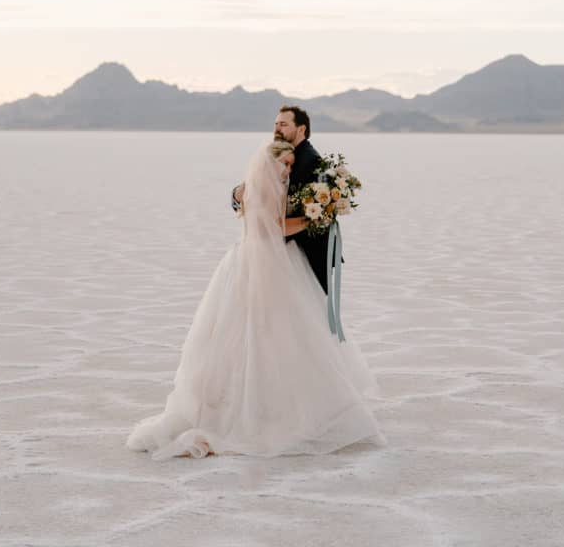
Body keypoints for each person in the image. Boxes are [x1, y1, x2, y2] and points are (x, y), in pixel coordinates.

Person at [126, 139, 386, 459]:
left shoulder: (270, 185)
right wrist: (315, 218)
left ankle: (278, 402)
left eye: (291, 164)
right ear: (271, 163)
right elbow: (271, 228)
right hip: (261, 261)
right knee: (252, 333)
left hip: (274, 261)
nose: (289, 169)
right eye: (286, 164)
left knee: (283, 334)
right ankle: (257, 410)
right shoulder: (260, 187)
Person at [231, 105, 342, 294]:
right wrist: (238, 196)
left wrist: (314, 219)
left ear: (301, 129)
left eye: (283, 124)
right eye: (275, 124)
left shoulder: (309, 161)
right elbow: (257, 195)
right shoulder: (276, 156)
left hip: (307, 255)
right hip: (273, 251)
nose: (276, 129)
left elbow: (287, 213)